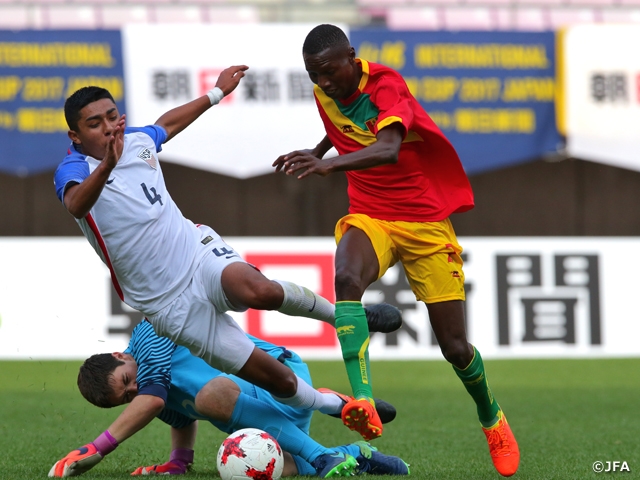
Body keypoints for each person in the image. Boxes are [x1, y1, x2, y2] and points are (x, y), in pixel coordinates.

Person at [53, 66, 401, 474]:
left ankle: (345, 315)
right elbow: (76, 206)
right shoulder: (73, 169)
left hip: (195, 253)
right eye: (94, 124)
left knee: (260, 292)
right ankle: (336, 407)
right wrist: (106, 167)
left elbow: (166, 125)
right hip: (166, 305)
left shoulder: (137, 141)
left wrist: (216, 93)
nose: (108, 128)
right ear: (76, 137)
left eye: (112, 117)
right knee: (280, 383)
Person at [272, 24, 519, 476]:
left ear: (352, 56)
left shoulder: (386, 86)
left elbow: (387, 148)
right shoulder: (324, 89)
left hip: (423, 220)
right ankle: (362, 398)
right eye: (313, 75)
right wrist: (313, 151)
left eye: (329, 71)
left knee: (455, 347)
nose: (323, 83)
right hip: (370, 211)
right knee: (346, 278)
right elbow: (342, 127)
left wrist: (326, 166)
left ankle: (492, 417)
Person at [48, 320, 409, 478]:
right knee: (253, 468)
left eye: (127, 380)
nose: (134, 391)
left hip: (281, 375)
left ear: (119, 355)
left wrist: (97, 447)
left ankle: (321, 441)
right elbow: (180, 418)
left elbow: (158, 401)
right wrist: (178, 462)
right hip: (270, 418)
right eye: (126, 396)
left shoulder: (148, 333)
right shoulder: (149, 394)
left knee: (212, 397)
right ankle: (355, 454)